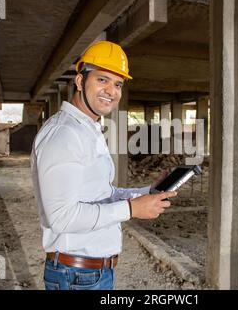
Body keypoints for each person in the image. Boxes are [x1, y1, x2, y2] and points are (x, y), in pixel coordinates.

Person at [31, 40, 177, 290]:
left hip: (90, 273)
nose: (111, 90)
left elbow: (101, 194)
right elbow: (62, 218)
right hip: (76, 276)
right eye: (102, 80)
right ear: (79, 81)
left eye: (117, 84)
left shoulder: (88, 129)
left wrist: (145, 192)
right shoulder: (65, 134)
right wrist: (131, 210)